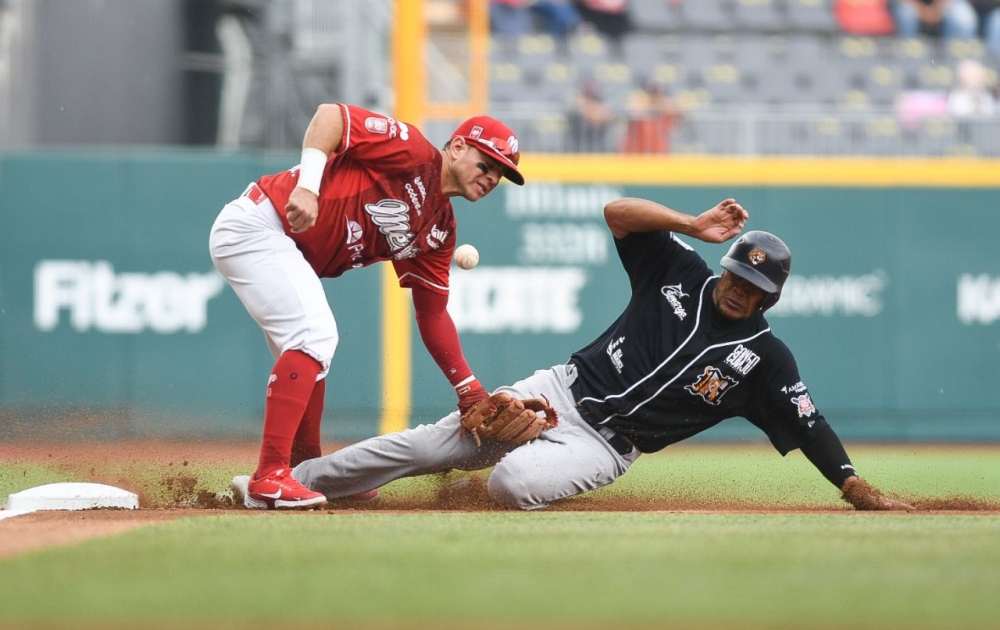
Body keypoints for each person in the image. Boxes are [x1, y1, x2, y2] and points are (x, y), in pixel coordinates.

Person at [255, 196, 912, 512]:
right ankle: (290, 487)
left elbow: (810, 425)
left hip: (604, 447)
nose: (741, 291)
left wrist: (853, 484)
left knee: (510, 484)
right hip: (557, 391)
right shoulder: (680, 271)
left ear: (773, 294)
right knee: (435, 444)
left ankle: (498, 469)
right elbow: (616, 213)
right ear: (728, 264)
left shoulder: (765, 358)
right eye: (739, 276)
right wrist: (688, 224)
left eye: (757, 287)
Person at [209, 104, 524, 509]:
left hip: (280, 245)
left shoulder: (440, 229)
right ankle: (269, 477)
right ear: (458, 147)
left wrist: (469, 389)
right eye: (487, 164)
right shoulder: (411, 150)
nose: (492, 177)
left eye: (500, 174)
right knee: (314, 336)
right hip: (260, 222)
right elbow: (329, 117)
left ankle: (311, 469)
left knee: (311, 357)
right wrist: (307, 185)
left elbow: (432, 314)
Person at [620, 80, 682, 154]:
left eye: (656, 93)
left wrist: (659, 106)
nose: (654, 97)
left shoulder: (665, 106)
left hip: (658, 150)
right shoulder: (640, 103)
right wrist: (651, 107)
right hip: (637, 150)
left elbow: (678, 112)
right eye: (652, 93)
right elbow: (633, 111)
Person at [892, 0, 979, 39]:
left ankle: (959, 63)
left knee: (963, 20)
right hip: (913, 5)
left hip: (945, 4)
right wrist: (923, 11)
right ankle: (909, 63)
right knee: (907, 17)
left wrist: (937, 9)